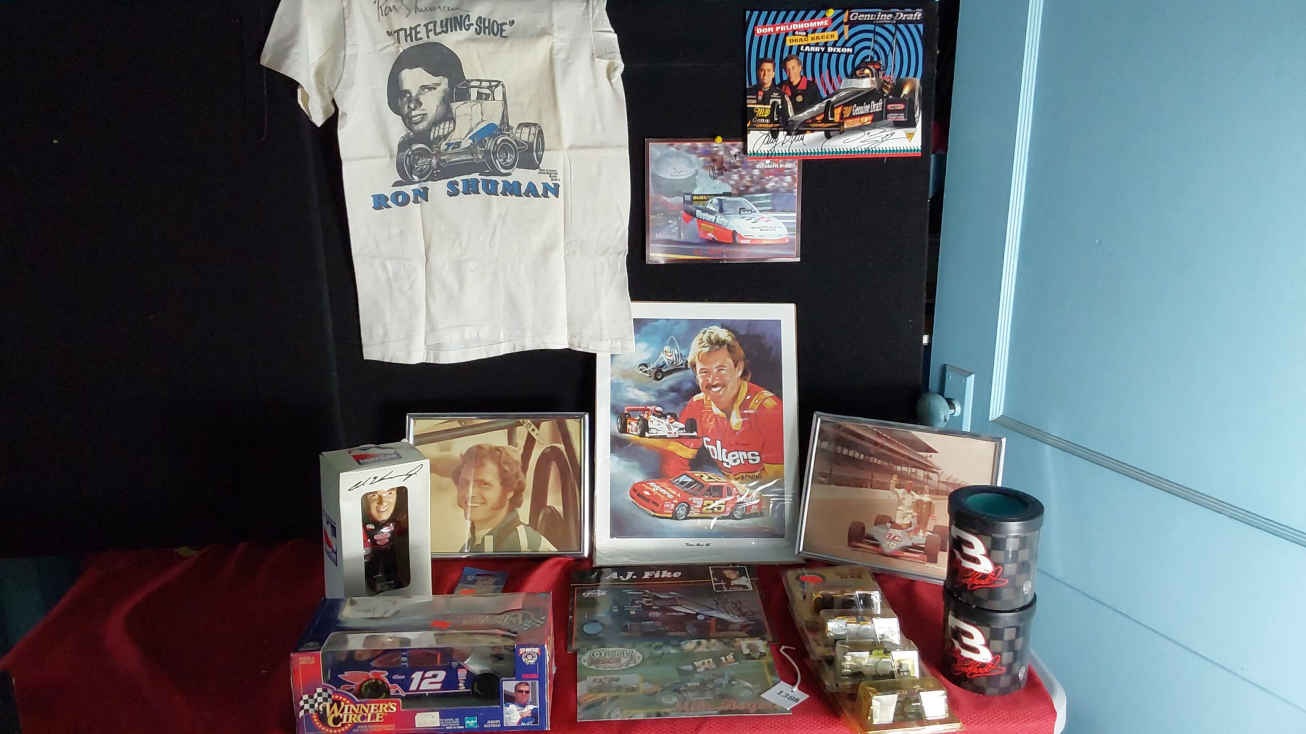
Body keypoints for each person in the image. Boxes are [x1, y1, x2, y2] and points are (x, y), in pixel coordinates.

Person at [626, 326, 784, 487]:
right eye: (704, 372)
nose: (713, 379)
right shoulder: (698, 406)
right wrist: (686, 495)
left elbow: (779, 484)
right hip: (729, 493)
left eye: (721, 369)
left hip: (761, 496)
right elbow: (675, 460)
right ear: (696, 375)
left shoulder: (770, 411)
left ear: (738, 368)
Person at [453, 444, 557, 552]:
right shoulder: (468, 547)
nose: (470, 493)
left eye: (484, 484)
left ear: (509, 490)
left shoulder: (527, 548)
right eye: (465, 483)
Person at [386, 42, 465, 181]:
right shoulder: (407, 147)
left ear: (454, 91)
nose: (412, 104)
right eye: (404, 95)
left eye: (427, 89)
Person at [362, 487, 407, 593]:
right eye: (373, 495)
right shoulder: (364, 526)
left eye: (389, 493)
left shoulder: (396, 523)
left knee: (391, 566)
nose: (382, 502)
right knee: (373, 567)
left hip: (391, 552)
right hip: (372, 555)